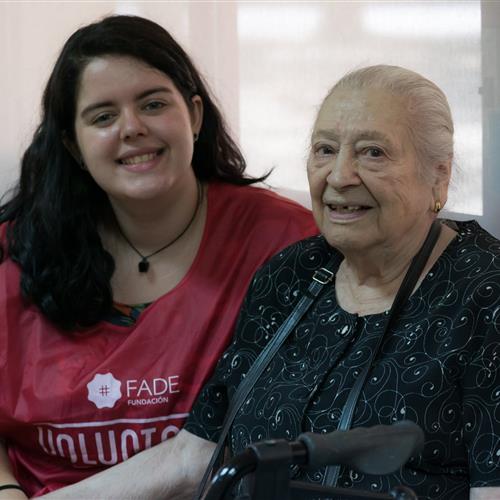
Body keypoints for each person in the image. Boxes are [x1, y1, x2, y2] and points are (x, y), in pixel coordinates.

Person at [54, 64, 499, 500]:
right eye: (325, 149)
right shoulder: (292, 273)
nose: (340, 176)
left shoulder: (484, 294)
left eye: (373, 153)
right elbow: (197, 456)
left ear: (439, 174)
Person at [0, 15, 317, 498]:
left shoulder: (284, 239)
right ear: (73, 144)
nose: (132, 128)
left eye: (152, 104)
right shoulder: (14, 251)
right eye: (103, 116)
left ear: (193, 114)